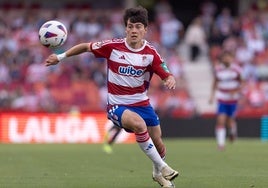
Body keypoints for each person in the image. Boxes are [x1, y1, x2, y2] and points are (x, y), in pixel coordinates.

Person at [45, 6, 179, 188]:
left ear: (145, 30)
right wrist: (60, 57)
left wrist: (169, 78)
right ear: (125, 28)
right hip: (117, 105)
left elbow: (165, 72)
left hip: (142, 103)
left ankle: (157, 173)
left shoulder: (150, 54)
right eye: (130, 26)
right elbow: (85, 46)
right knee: (139, 125)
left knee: (158, 142)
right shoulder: (112, 47)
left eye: (138, 27)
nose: (133, 30)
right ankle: (163, 168)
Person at [209, 51, 243, 151]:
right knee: (220, 120)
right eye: (225, 57)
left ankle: (232, 132)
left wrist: (236, 91)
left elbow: (243, 83)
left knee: (230, 121)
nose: (227, 59)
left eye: (228, 57)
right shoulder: (218, 69)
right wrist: (212, 96)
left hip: (233, 99)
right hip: (222, 98)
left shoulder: (237, 69)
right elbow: (215, 82)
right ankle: (221, 144)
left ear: (232, 58)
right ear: (222, 59)